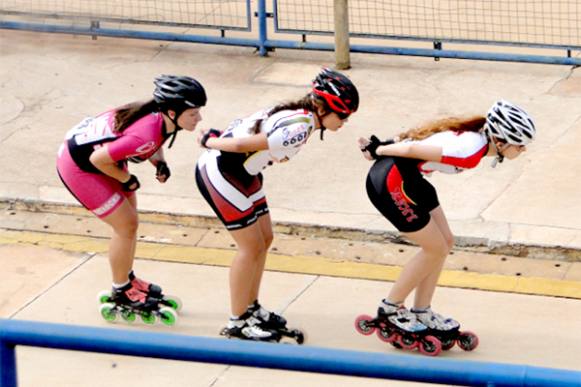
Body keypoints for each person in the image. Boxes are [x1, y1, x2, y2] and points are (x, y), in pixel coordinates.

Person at [356, 100, 535, 353]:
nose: (524, 150)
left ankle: (422, 310)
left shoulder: (475, 140)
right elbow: (413, 148)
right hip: (391, 182)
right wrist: (379, 150)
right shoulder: (469, 153)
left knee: (445, 243)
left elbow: (422, 138)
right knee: (434, 248)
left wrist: (383, 144)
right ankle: (390, 308)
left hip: (411, 179)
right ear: (502, 141)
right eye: (521, 144)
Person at [195, 68, 359, 342]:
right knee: (250, 247)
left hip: (245, 173)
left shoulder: (300, 115)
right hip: (221, 172)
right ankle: (237, 322)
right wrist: (210, 141)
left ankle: (251, 307)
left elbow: (247, 128)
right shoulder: (300, 126)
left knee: (265, 239)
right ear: (323, 109)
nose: (344, 122)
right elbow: (245, 142)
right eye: (342, 115)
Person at [56, 75, 206, 323]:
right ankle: (120, 290)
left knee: (130, 223)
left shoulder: (161, 119)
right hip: (80, 166)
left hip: (103, 157)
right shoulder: (145, 133)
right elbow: (99, 160)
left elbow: (154, 140)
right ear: (172, 112)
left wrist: (159, 162)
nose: (198, 119)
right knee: (125, 225)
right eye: (193, 114)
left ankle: (126, 278)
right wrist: (125, 180)